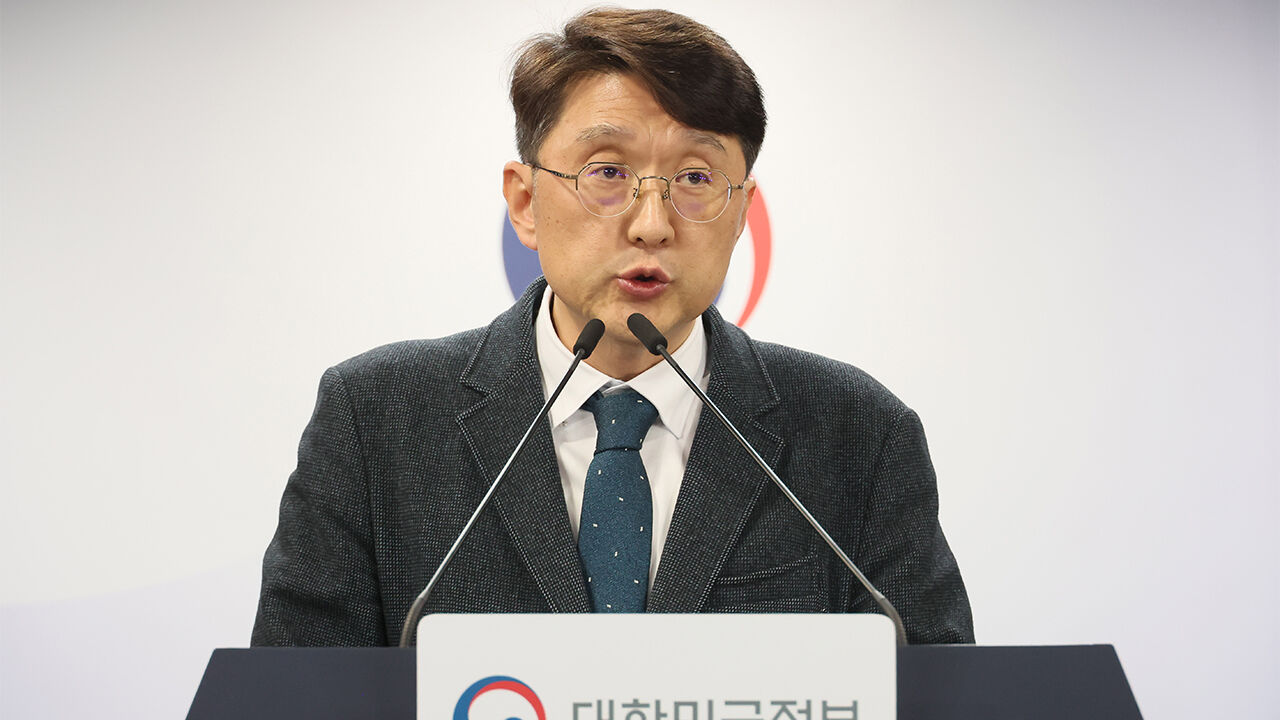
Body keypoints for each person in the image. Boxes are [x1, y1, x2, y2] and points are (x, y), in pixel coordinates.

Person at [252, 7, 973, 646]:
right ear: (525, 202)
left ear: (741, 214)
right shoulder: (375, 420)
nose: (651, 223)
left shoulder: (860, 435)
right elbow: (293, 696)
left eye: (696, 178)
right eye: (607, 172)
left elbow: (936, 693)